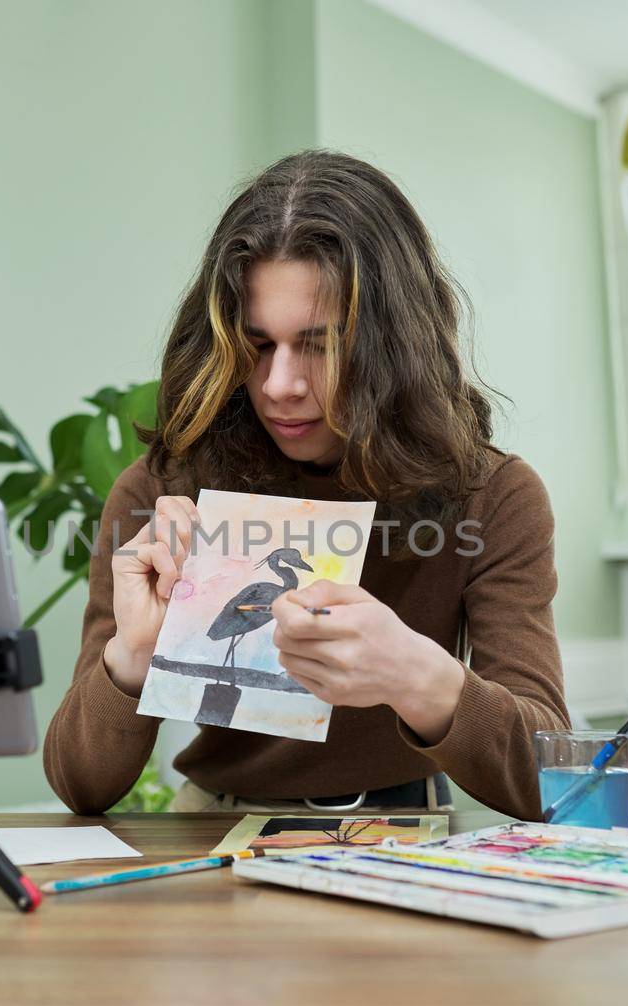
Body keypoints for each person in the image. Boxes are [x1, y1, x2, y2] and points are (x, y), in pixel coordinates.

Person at [43, 150, 568, 818]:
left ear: (392, 347)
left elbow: (553, 779)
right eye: (256, 344)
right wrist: (134, 656)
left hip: (404, 832)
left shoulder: (493, 497)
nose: (279, 385)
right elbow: (79, 784)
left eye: (320, 345)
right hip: (211, 831)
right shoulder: (165, 492)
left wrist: (422, 677)